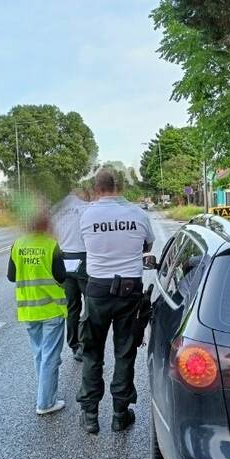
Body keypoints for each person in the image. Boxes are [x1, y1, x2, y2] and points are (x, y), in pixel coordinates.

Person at [77, 169, 154, 434]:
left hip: (97, 290)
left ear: (96, 189)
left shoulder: (87, 216)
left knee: (92, 352)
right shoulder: (138, 214)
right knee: (125, 352)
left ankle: (90, 415)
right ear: (117, 187)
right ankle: (120, 415)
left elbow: (85, 246)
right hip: (130, 291)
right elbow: (147, 245)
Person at [6, 202, 68, 415]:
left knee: (40, 355)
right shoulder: (51, 245)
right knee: (50, 356)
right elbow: (61, 276)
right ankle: (45, 402)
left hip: (28, 311)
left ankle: (45, 393)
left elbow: (11, 276)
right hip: (51, 309)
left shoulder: (17, 244)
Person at [50, 187, 91, 362]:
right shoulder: (87, 208)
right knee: (90, 304)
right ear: (83, 196)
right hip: (84, 258)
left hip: (63, 258)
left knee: (72, 307)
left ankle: (74, 344)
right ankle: (85, 345)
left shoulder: (56, 210)